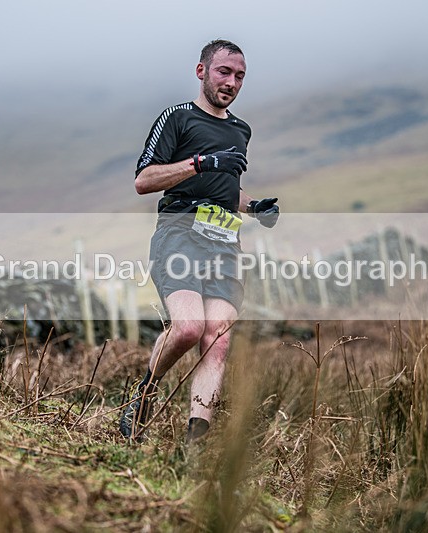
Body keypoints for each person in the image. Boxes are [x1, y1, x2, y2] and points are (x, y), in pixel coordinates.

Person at [119, 39, 280, 443]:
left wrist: (255, 206)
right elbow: (144, 181)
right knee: (189, 329)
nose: (231, 82)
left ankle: (195, 443)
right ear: (202, 71)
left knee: (218, 340)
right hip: (180, 233)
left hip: (224, 243)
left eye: (240, 76)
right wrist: (202, 161)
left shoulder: (241, 130)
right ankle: (143, 394)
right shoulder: (177, 118)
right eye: (224, 72)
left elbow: (224, 191)